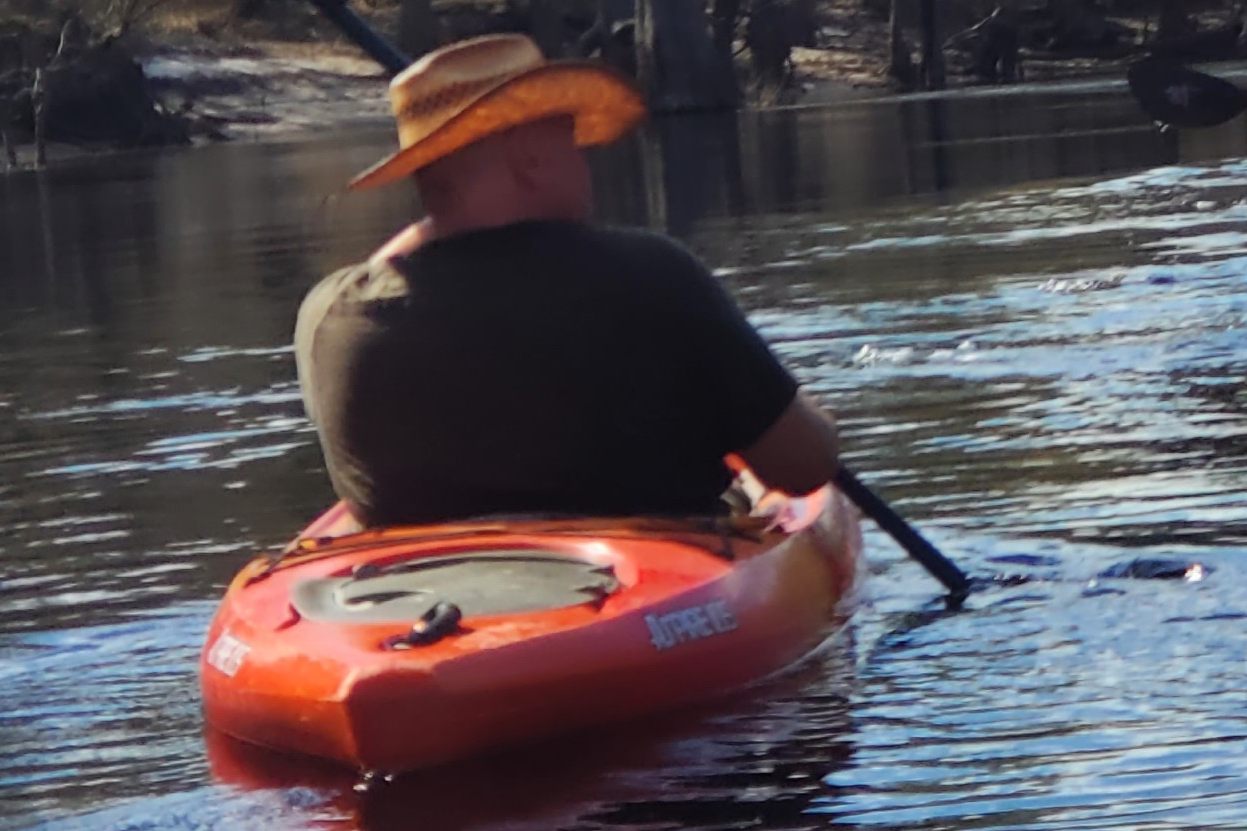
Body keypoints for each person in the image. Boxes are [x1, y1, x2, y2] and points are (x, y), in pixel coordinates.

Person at [293, 34, 844, 529]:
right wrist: (816, 416)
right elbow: (804, 467)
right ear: (529, 159)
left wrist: (436, 226)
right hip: (644, 597)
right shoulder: (653, 277)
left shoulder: (327, 317)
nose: (585, 165)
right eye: (569, 143)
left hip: (408, 607)